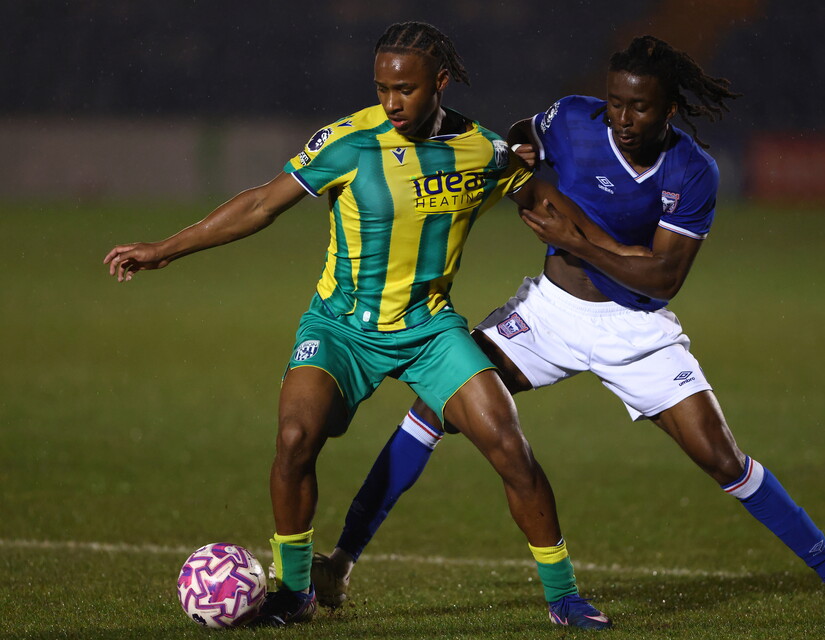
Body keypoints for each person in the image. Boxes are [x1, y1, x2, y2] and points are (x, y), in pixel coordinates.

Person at [310, 35, 825, 627]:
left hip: (635, 330)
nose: (623, 117)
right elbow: (527, 130)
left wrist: (579, 242)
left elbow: (662, 276)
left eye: (640, 106)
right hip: (546, 315)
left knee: (722, 457)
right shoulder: (574, 118)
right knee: (433, 406)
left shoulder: (691, 169)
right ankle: (340, 563)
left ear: (669, 108)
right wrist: (521, 152)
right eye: (616, 102)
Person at [103, 21, 614, 630]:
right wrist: (166, 249)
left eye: (405, 89)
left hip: (428, 331)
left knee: (510, 447)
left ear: (440, 83)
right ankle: (295, 593)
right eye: (382, 88)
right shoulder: (348, 140)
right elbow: (262, 203)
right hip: (342, 328)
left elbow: (545, 206)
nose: (391, 102)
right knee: (295, 440)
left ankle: (564, 598)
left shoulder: (482, 150)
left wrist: (623, 257)